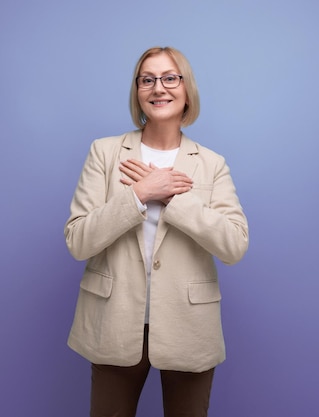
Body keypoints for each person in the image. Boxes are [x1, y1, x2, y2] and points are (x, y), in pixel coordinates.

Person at [64, 46, 249, 417]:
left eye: (169, 78)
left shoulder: (211, 164)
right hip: (113, 321)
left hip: (188, 325)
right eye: (147, 79)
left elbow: (234, 245)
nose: (158, 88)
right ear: (137, 91)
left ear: (186, 90)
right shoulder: (104, 153)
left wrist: (172, 199)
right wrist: (138, 195)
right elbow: (78, 240)